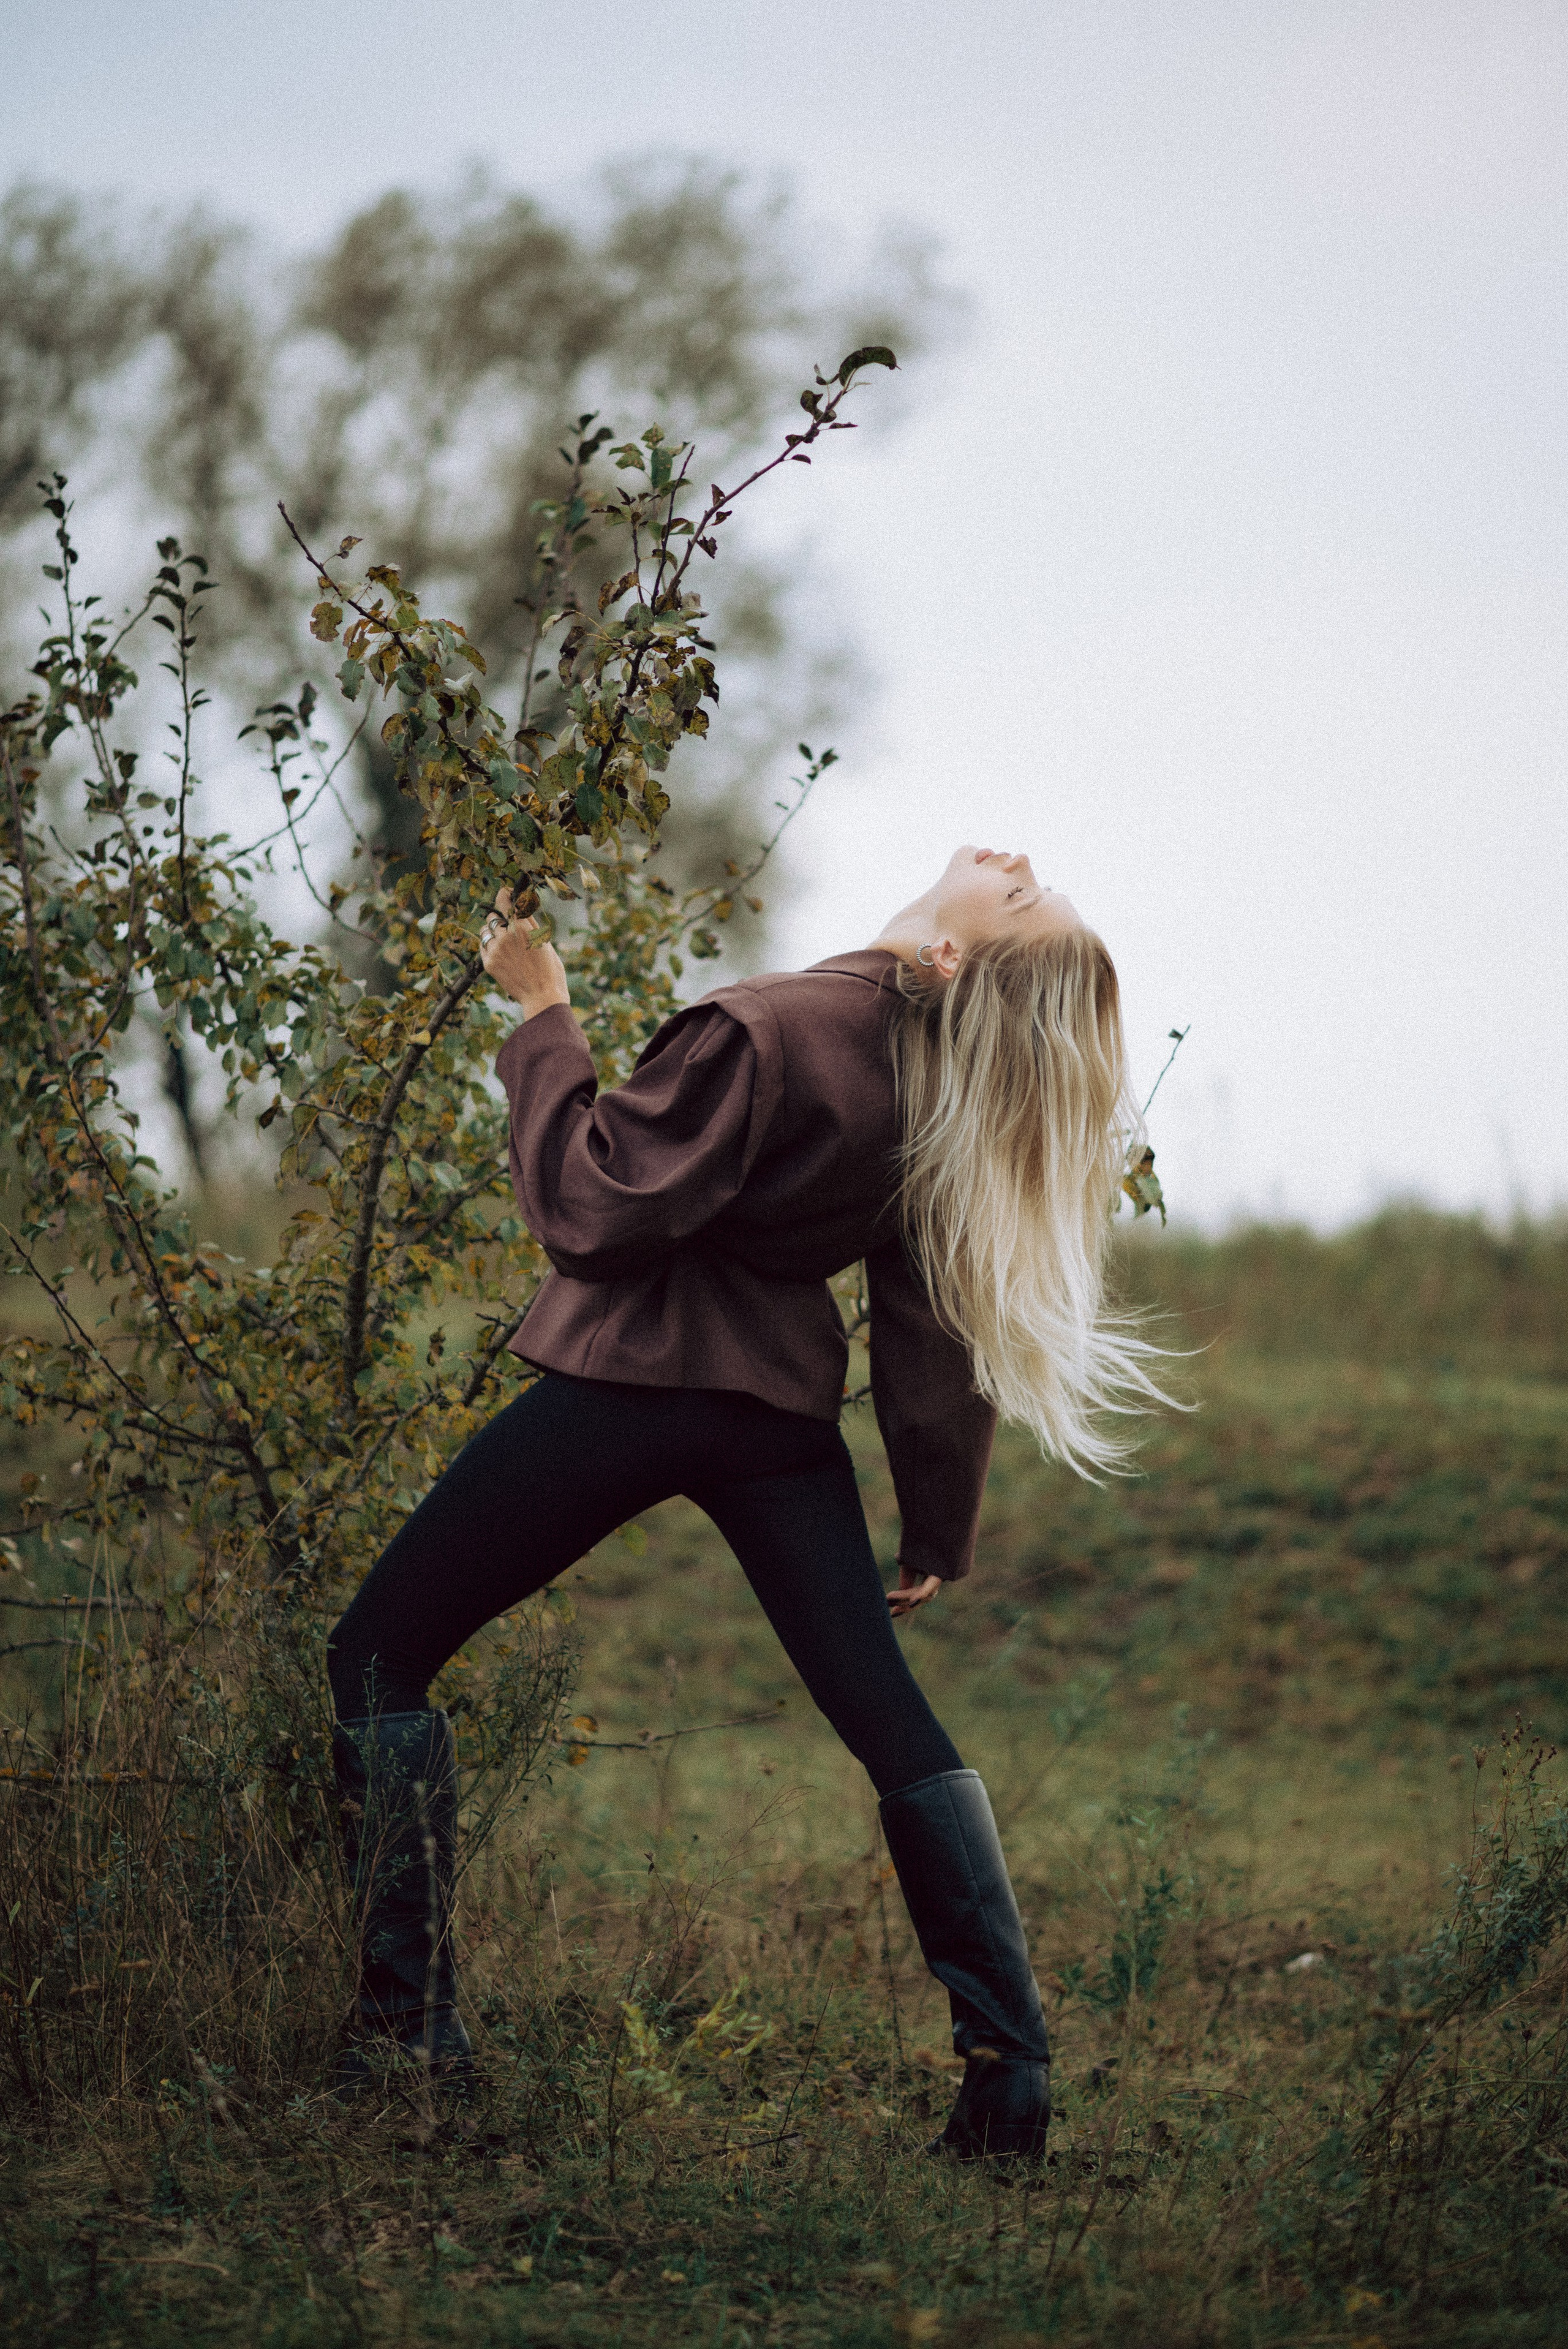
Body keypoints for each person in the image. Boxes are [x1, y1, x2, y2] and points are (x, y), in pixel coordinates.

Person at [327, 845, 1167, 2157]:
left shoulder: (769, 1026)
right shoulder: (923, 1084)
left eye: (1017, 894)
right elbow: (929, 1326)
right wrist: (935, 1523)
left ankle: (408, 2050)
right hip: (774, 1421)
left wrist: (540, 1006)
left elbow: (589, 1208)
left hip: (636, 1385)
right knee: (893, 1726)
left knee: (375, 1657)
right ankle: (1008, 2084)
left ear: (948, 958)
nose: (1012, 859)